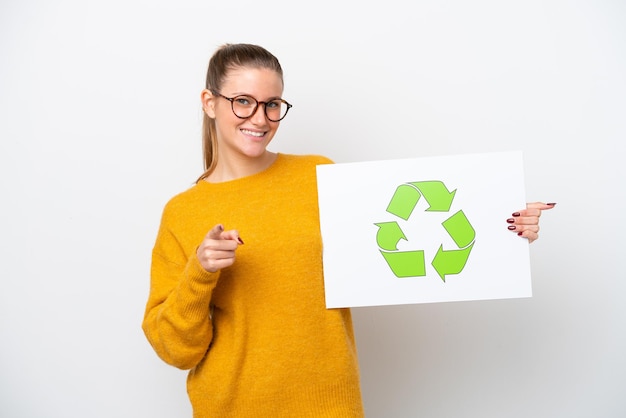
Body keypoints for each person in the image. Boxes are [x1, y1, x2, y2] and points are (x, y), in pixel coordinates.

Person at [142, 43, 555, 418]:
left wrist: (504, 228)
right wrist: (200, 272)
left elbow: (415, 233)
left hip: (329, 403)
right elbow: (177, 350)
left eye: (272, 104)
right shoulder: (183, 212)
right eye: (243, 102)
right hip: (231, 408)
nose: (260, 118)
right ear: (210, 103)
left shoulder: (319, 176)